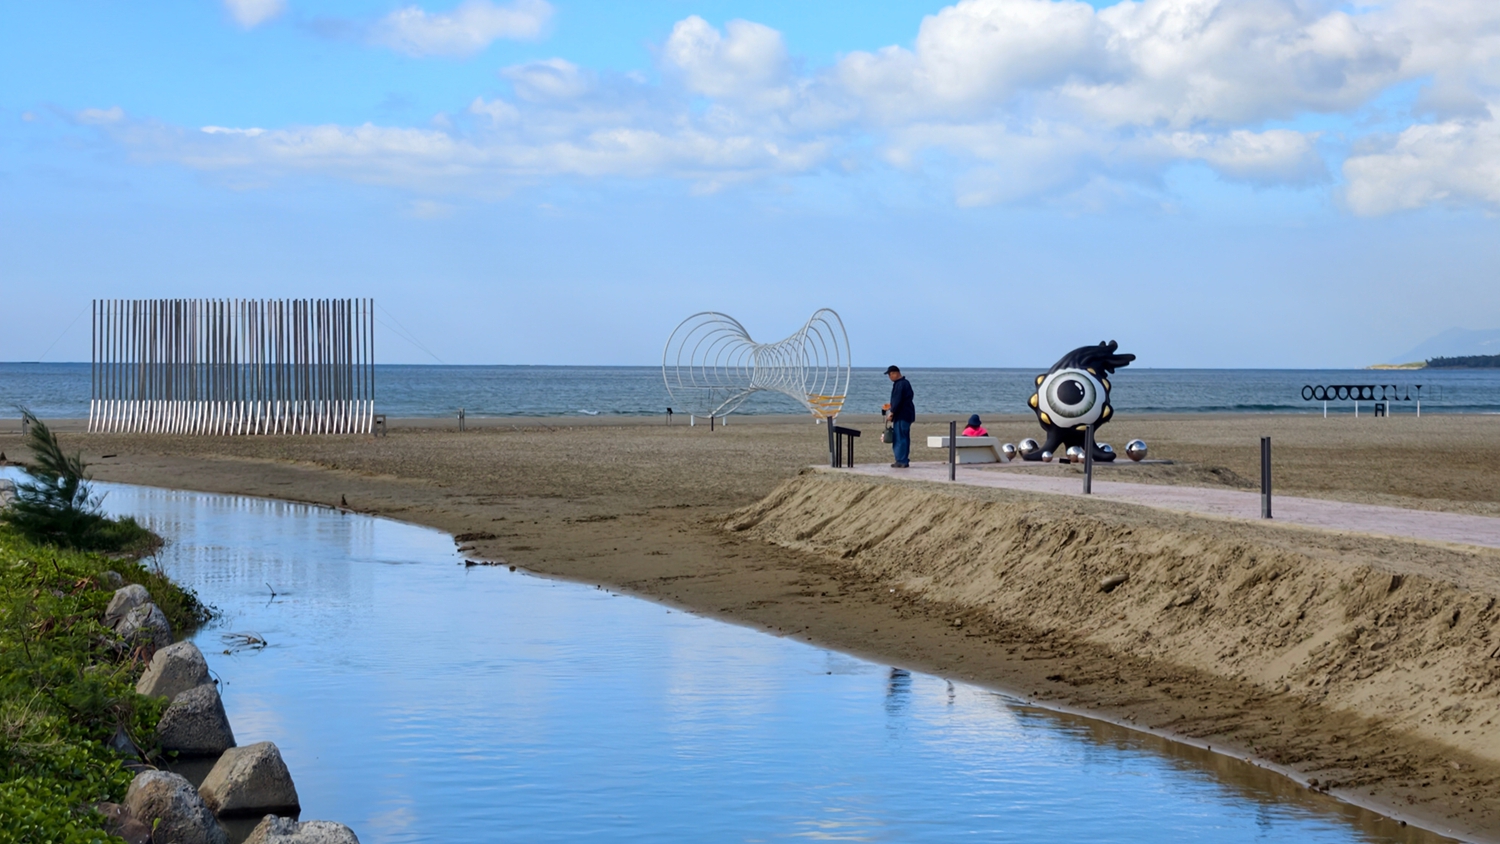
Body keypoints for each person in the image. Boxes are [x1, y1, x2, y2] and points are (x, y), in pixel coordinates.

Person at [885, 365, 914, 468]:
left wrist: (892, 412)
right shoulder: (906, 383)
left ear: (895, 373)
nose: (890, 377)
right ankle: (904, 459)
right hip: (907, 414)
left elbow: (898, 400)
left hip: (901, 415)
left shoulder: (899, 384)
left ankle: (901, 460)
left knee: (899, 438)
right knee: (904, 437)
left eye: (890, 374)